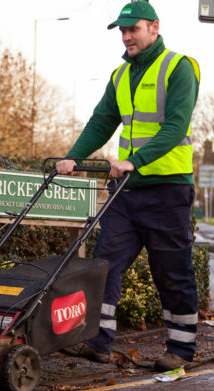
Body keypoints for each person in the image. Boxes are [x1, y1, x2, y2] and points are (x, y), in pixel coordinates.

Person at [56, 1, 200, 372]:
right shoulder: (121, 76)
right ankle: (98, 341)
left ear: (154, 27)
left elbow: (175, 127)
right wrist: (73, 157)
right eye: (122, 30)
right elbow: (101, 121)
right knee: (105, 263)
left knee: (171, 269)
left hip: (168, 190)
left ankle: (180, 351)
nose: (126, 36)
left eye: (132, 29)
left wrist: (134, 160)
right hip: (127, 191)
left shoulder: (180, 68)